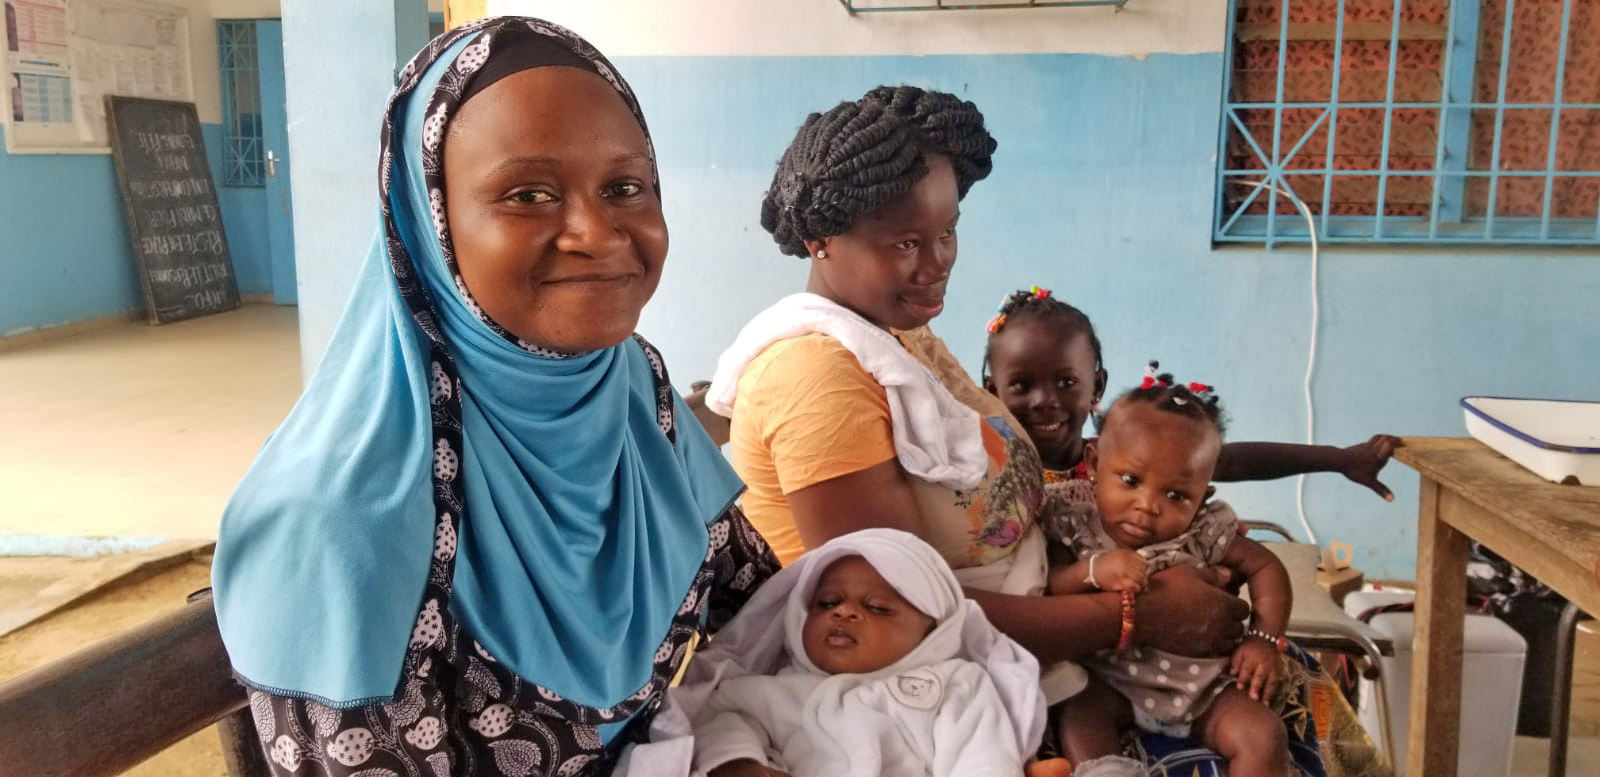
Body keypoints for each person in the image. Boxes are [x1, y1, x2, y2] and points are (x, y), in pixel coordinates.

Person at [211, 18, 777, 777]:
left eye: (625, 187)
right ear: (431, 222)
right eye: (529, 194)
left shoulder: (634, 389)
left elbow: (764, 605)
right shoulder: (338, 527)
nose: (597, 232)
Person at [706, 86, 1320, 774]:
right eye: (906, 242)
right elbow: (906, 611)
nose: (937, 262)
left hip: (1037, 633)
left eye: (947, 231)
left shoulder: (898, 335)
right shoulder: (817, 376)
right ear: (820, 240)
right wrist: (1136, 617)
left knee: (1274, 691)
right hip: (911, 695)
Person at [1046, 371, 1293, 777]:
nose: (1148, 505)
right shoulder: (1076, 526)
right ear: (1093, 464)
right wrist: (1092, 570)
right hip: (1113, 682)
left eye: (1176, 495)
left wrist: (1264, 639)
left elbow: (1266, 565)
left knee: (1263, 735)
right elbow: (1052, 586)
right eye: (1130, 481)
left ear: (1203, 496)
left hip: (1206, 687)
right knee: (1077, 712)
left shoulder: (1201, 529)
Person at [979, 286, 1403, 511]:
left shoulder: (1116, 462)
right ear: (992, 392)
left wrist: (1340, 459)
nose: (1044, 400)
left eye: (1066, 383)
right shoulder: (978, 473)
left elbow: (1229, 460)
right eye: (1021, 385)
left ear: (1098, 387)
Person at [675, 529, 1045, 777]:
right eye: (827, 602)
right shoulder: (773, 692)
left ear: (934, 632)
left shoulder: (955, 686)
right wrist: (742, 763)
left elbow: (983, 759)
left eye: (879, 608)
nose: (844, 612)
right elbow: (718, 720)